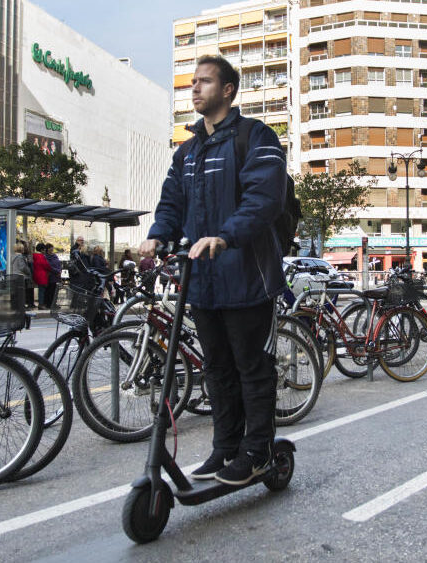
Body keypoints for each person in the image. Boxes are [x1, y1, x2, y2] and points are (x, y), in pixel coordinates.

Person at [139, 55, 286, 486]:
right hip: (201, 281)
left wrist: (226, 236)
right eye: (192, 82)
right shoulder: (187, 150)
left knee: (251, 366)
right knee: (217, 369)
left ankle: (257, 450)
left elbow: (265, 198)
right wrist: (158, 235)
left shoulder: (255, 137)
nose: (194, 89)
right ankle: (225, 449)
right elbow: (172, 203)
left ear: (227, 90)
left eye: (204, 81)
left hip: (246, 275)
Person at [33, 243, 50, 309]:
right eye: (44, 250)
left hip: (36, 274)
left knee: (40, 289)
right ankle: (41, 304)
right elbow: (46, 265)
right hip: (42, 275)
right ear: (42, 250)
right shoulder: (41, 256)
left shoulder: (34, 256)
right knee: (42, 290)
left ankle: (41, 303)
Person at [45, 243, 62, 308]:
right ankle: (49, 304)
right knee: (50, 291)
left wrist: (60, 270)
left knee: (55, 291)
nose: (51, 249)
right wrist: (57, 271)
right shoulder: (46, 257)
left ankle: (54, 303)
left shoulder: (55, 256)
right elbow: (49, 266)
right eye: (50, 247)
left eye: (52, 247)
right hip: (51, 276)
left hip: (57, 276)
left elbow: (59, 264)